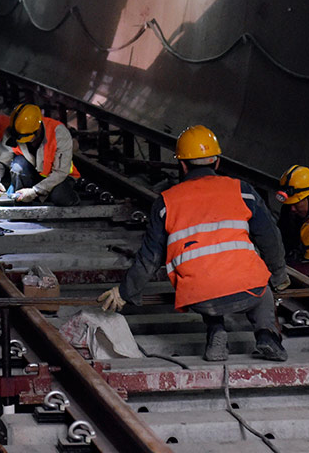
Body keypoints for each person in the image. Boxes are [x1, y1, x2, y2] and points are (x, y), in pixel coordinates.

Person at [98, 125, 290, 362]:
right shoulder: (243, 191)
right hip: (248, 291)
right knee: (264, 291)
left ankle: (216, 331)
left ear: (183, 165)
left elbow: (149, 259)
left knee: (202, 277)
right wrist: (279, 276)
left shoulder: (167, 202)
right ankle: (266, 335)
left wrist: (125, 291)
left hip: (200, 299)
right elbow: (270, 238)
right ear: (217, 162)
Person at [0, 103, 80, 206]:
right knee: (18, 165)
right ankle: (22, 207)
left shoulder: (59, 133)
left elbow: (61, 172)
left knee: (59, 196)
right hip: (34, 176)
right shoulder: (12, 132)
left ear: (38, 129)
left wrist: (35, 191)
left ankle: (73, 199)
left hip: (59, 178)